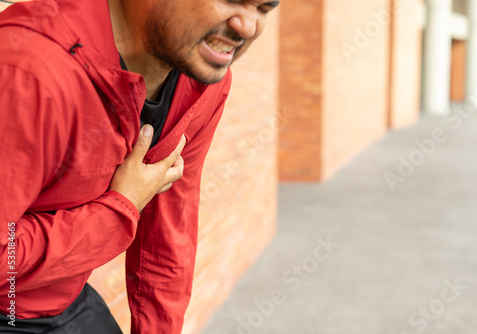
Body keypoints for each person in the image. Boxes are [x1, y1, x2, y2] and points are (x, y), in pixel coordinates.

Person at [0, 0, 279, 332]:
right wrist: (121, 207)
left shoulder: (205, 80)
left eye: (264, 7)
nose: (248, 27)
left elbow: (169, 228)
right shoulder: (27, 70)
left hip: (66, 302)